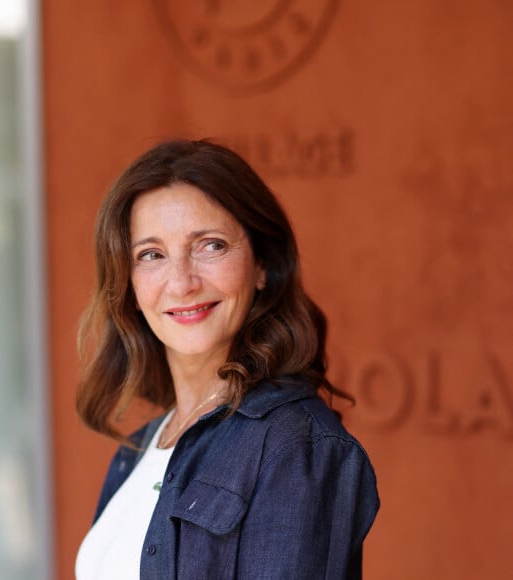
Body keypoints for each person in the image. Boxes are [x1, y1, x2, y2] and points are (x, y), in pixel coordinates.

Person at [75, 139, 379, 579]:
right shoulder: (141, 449)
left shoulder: (292, 447)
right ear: (130, 287)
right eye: (151, 255)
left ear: (262, 266)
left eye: (210, 245)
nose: (181, 282)